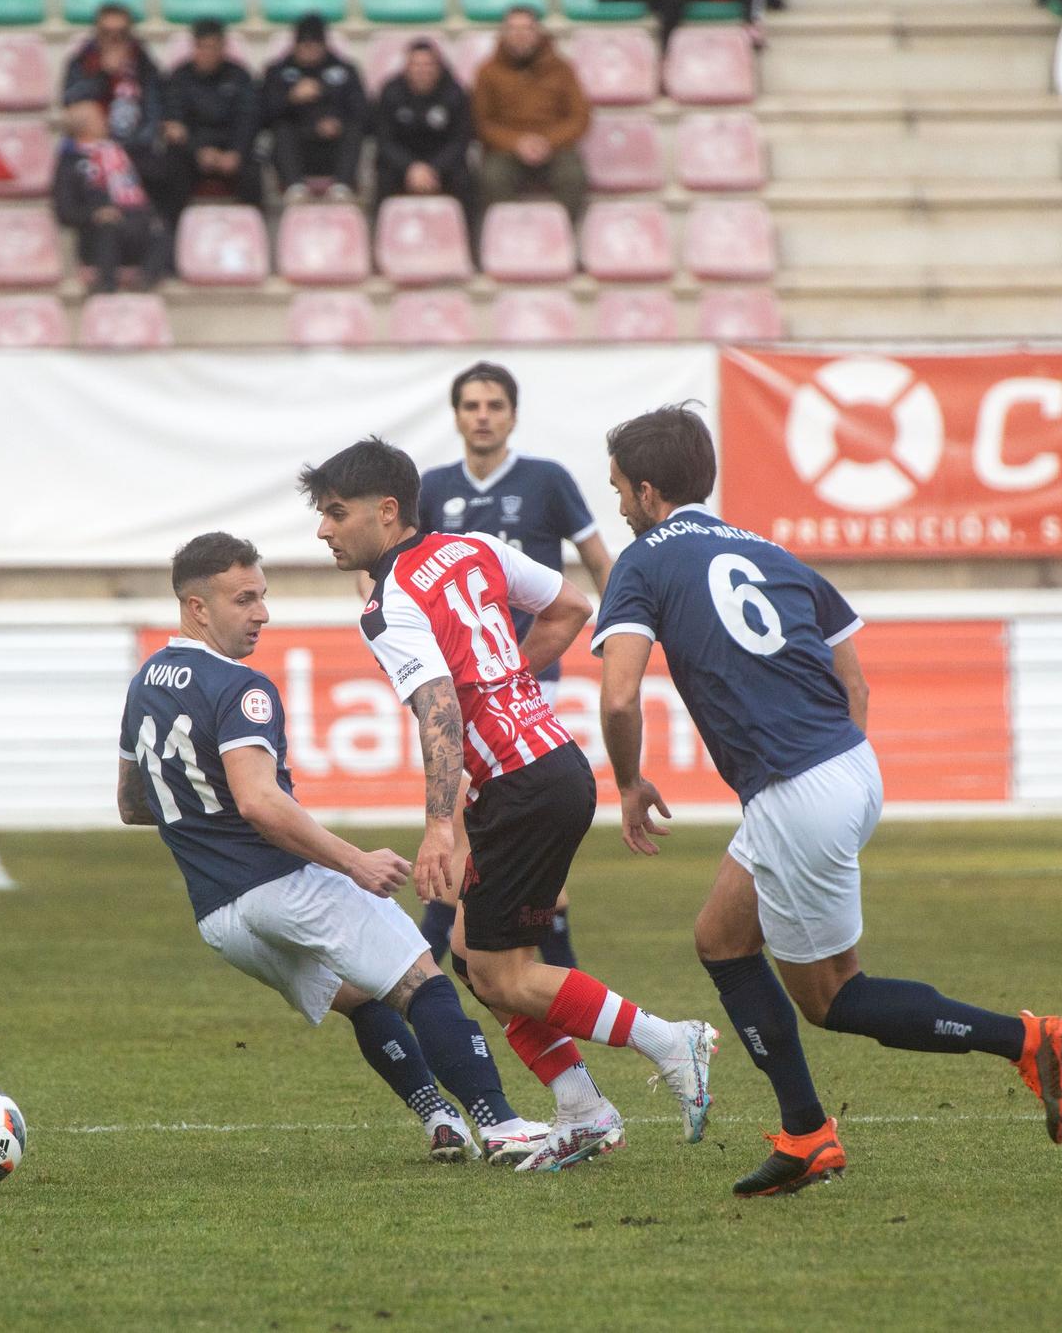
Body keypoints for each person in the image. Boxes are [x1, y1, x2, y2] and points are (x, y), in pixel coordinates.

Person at [593, 405, 1062, 1198]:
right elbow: (855, 681)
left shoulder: (643, 561)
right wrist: (830, 768)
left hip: (796, 792)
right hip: (847, 768)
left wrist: (627, 781)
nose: (617, 506)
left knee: (835, 997)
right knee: (720, 937)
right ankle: (806, 1134)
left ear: (648, 492)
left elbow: (619, 699)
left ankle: (1025, 1040)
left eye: (618, 490)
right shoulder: (772, 552)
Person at [299, 439, 718, 1173]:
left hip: (520, 785)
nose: (324, 530)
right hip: (553, 763)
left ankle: (668, 1040)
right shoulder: (473, 547)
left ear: (386, 510)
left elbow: (438, 709)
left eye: (336, 514)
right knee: (471, 956)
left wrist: (437, 827)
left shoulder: (388, 602)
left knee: (503, 976)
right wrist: (503, 682)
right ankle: (583, 1111)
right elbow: (570, 606)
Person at [118, 532, 552, 1164]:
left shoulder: (146, 683)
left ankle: (439, 1118)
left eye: (262, 596)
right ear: (197, 608)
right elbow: (259, 803)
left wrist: (199, 822)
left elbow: (133, 804)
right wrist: (354, 861)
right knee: (420, 979)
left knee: (358, 996)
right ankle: (502, 1124)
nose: (262, 612)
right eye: (244, 600)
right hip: (281, 884)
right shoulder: (242, 688)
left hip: (219, 916)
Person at [410, 361, 613, 972]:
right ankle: (545, 973)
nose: (482, 416)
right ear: (456, 416)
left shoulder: (548, 481)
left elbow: (600, 561)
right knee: (492, 832)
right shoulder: (431, 488)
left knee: (485, 827)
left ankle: (425, 973)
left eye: (494, 405)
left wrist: (626, 631)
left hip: (524, 687)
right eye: (471, 405)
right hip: (454, 689)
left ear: (513, 415)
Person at [472, 5, 590, 226]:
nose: (520, 36)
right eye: (514, 30)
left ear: (537, 33)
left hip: (555, 147)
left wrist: (547, 141)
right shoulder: (487, 72)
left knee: (573, 177)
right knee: (491, 178)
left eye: (526, 29)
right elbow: (482, 122)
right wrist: (517, 143)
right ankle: (508, 235)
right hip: (505, 149)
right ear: (504, 34)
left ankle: (557, 237)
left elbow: (580, 117)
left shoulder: (562, 69)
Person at [53, 93, 170, 294]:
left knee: (161, 230)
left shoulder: (121, 153)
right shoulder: (69, 163)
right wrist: (95, 214)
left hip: (134, 226)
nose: (105, 121)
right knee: (109, 226)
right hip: (98, 234)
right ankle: (105, 290)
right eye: (99, 117)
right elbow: (65, 211)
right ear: (85, 126)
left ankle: (145, 284)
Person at [159, 18, 262, 225]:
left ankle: (250, 236)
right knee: (171, 166)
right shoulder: (179, 78)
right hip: (192, 151)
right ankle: (171, 237)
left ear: (223, 48)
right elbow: (175, 125)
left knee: (253, 172)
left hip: (231, 149)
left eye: (213, 47)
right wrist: (198, 151)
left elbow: (248, 118)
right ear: (194, 47)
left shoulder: (239, 76)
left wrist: (236, 152)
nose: (207, 53)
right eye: (202, 47)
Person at [261, 14, 368, 204]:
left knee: (353, 130)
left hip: (334, 148)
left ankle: (342, 186)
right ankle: (294, 187)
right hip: (298, 148)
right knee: (282, 129)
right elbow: (263, 116)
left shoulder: (346, 70)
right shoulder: (277, 72)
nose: (309, 51)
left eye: (314, 46)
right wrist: (291, 98)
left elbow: (363, 112)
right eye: (304, 46)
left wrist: (337, 123)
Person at [373, 39, 474, 224]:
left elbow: (460, 140)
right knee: (383, 179)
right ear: (406, 67)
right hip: (401, 164)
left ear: (438, 67)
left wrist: (433, 169)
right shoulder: (390, 92)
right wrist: (411, 168)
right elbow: (384, 140)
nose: (422, 70)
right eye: (416, 65)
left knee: (465, 181)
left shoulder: (455, 93)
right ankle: (378, 241)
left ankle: (469, 244)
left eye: (428, 64)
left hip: (442, 163)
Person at [61, 2, 164, 166]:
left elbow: (154, 113)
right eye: (106, 33)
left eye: (121, 33)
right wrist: (104, 74)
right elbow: (72, 103)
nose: (113, 40)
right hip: (92, 148)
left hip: (136, 149)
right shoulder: (82, 60)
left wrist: (127, 148)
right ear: (97, 33)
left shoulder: (143, 63)